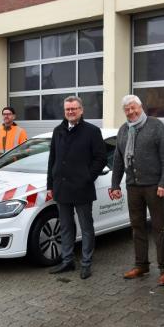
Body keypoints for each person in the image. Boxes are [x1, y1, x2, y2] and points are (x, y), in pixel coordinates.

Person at [109, 95, 164, 286]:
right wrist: (114, 185)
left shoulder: (156, 126)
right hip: (133, 187)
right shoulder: (123, 130)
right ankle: (141, 265)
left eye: (133, 108)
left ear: (141, 107)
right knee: (137, 226)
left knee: (159, 227)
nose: (131, 112)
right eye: (127, 110)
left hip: (154, 186)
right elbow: (118, 160)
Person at [46, 96, 107, 280]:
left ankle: (86, 263)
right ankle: (67, 261)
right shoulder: (58, 131)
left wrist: (87, 177)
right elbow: (52, 160)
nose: (70, 112)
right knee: (65, 227)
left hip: (82, 188)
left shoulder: (92, 131)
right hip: (61, 188)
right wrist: (50, 185)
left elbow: (101, 158)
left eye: (74, 109)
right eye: (67, 109)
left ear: (81, 110)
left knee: (86, 227)